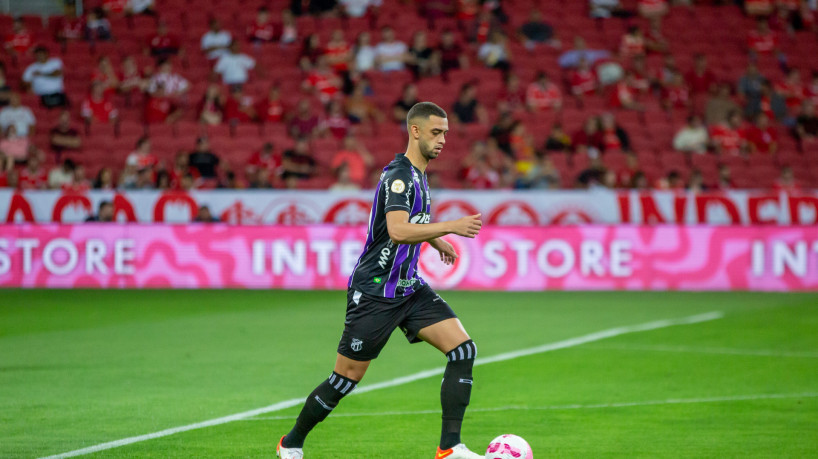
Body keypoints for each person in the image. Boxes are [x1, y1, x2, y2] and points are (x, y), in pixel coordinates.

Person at [276, 102, 484, 459]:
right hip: (374, 291)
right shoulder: (400, 176)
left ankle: (450, 448)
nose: (443, 140)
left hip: (409, 288)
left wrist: (436, 240)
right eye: (436, 132)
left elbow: (412, 221)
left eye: (446, 133)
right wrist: (450, 226)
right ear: (415, 131)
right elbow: (398, 230)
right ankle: (291, 443)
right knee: (344, 379)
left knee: (463, 350)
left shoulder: (419, 175)